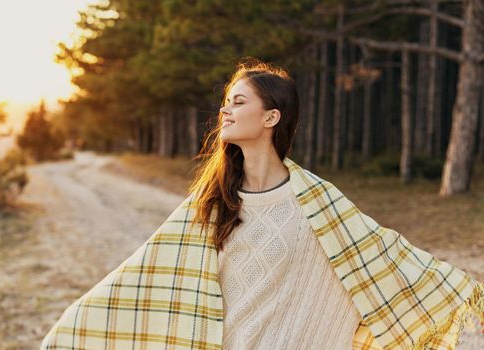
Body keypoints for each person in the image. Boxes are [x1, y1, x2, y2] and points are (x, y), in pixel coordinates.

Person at [41, 57, 484, 349]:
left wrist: (464, 291)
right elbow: (149, 277)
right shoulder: (213, 201)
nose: (225, 111)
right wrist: (75, 328)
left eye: (238, 101)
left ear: (271, 117)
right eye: (225, 103)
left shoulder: (318, 200)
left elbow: (380, 259)